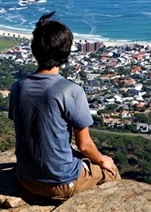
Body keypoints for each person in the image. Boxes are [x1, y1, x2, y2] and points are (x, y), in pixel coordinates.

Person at [9, 11, 120, 200]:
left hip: (25, 179)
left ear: (35, 50)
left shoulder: (18, 86)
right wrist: (103, 160)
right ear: (66, 52)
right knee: (111, 170)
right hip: (61, 184)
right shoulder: (70, 91)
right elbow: (84, 145)